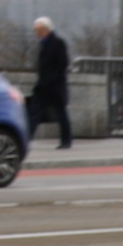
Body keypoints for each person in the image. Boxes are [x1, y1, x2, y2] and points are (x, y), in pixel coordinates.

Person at [29, 16, 72, 148]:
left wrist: (50, 79)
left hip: (54, 86)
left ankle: (66, 141)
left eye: (38, 30)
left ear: (45, 30)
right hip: (44, 87)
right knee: (34, 113)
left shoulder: (58, 43)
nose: (36, 33)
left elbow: (62, 65)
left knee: (61, 114)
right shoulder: (43, 44)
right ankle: (26, 139)